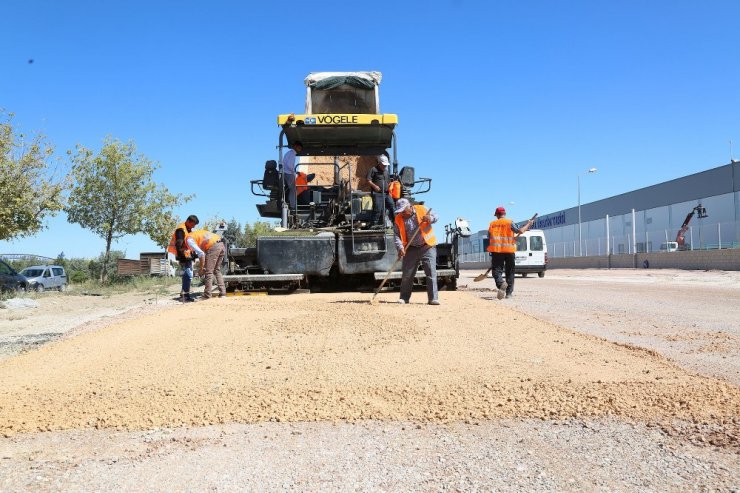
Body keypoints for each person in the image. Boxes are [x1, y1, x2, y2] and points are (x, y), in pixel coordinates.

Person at [393, 198, 439, 305]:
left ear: (410, 206)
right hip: (411, 248)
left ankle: (433, 299)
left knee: (431, 272)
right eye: (400, 211)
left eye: (404, 211)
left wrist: (430, 218)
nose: (402, 213)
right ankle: (404, 298)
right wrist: (400, 247)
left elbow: (436, 216)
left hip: (427, 246)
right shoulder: (398, 219)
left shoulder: (422, 209)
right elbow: (396, 235)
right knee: (407, 275)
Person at [487, 206, 534, 300]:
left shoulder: (492, 224)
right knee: (510, 272)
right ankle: (508, 293)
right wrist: (529, 224)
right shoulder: (509, 222)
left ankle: (501, 283)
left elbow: (489, 237)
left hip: (497, 251)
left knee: (496, 272)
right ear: (504, 214)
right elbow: (520, 231)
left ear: (496, 215)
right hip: (509, 251)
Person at [186, 229, 226, 299]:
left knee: (208, 272)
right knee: (216, 270)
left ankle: (207, 296)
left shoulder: (189, 239)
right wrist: (203, 266)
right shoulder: (198, 233)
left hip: (213, 247)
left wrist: (201, 269)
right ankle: (223, 294)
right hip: (221, 245)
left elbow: (201, 254)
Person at [167, 214, 199, 302]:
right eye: (193, 224)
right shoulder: (181, 230)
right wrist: (181, 258)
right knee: (188, 275)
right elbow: (179, 245)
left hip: (187, 256)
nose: (194, 226)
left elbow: (189, 244)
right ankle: (184, 295)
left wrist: (194, 256)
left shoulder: (188, 229)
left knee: (188, 275)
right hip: (183, 256)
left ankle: (184, 294)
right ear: (188, 221)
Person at [366, 154, 395, 227]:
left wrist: (390, 187)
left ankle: (395, 223)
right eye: (384, 164)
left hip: (386, 193)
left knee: (392, 206)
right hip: (377, 193)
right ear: (379, 163)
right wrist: (375, 186)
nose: (385, 166)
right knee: (378, 209)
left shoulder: (386, 172)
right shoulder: (373, 169)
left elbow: (388, 182)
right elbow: (368, 180)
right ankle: (374, 225)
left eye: (386, 165)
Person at [282, 140, 303, 211]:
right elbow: (290, 165)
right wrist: (294, 172)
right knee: (293, 190)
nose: (300, 150)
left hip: (285, 172)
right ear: (296, 146)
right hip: (288, 173)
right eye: (299, 148)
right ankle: (293, 206)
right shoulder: (292, 154)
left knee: (291, 189)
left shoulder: (289, 153)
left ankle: (291, 203)